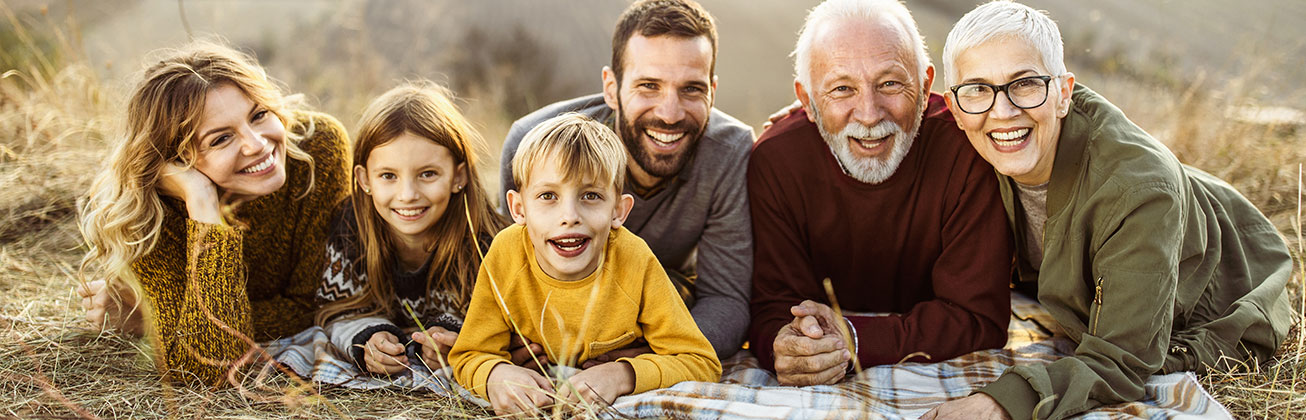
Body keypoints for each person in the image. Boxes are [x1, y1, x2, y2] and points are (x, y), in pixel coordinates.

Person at [921, 2, 1295, 419]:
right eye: (977, 89)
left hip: (1221, 280)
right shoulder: (972, 145)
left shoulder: (1138, 193)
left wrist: (999, 403)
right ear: (955, 107)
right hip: (1170, 198)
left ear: (1063, 93)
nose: (1002, 111)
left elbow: (1120, 360)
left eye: (1024, 83)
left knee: (1160, 359)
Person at [748, 0, 1013, 386]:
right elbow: (772, 307)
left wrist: (856, 339)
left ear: (925, 85)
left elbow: (979, 317)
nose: (869, 114)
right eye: (842, 89)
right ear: (807, 100)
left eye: (890, 84)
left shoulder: (966, 150)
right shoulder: (776, 160)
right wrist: (786, 346)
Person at [76, 40, 351, 385]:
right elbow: (205, 365)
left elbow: (315, 306)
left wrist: (155, 320)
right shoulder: (149, 212)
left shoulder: (316, 150)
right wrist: (202, 204)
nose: (257, 144)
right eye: (221, 139)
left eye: (259, 115)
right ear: (176, 159)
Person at [497, 0, 753, 362]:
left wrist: (647, 358)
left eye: (691, 89)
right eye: (648, 86)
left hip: (662, 310)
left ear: (712, 91)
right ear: (611, 87)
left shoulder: (730, 152)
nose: (670, 113)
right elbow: (507, 275)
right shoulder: (531, 143)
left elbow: (725, 298)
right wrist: (512, 341)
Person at [451, 113, 721, 416]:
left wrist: (622, 375)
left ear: (618, 211)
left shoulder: (635, 260)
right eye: (548, 196)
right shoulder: (506, 255)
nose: (570, 216)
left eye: (590, 195)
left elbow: (700, 362)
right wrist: (495, 375)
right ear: (518, 208)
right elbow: (469, 353)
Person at [313, 81, 508, 375]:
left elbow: (498, 321)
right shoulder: (351, 227)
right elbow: (339, 309)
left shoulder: (487, 242)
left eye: (427, 174)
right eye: (388, 176)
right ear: (364, 180)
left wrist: (454, 339)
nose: (407, 195)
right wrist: (369, 338)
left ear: (459, 176)